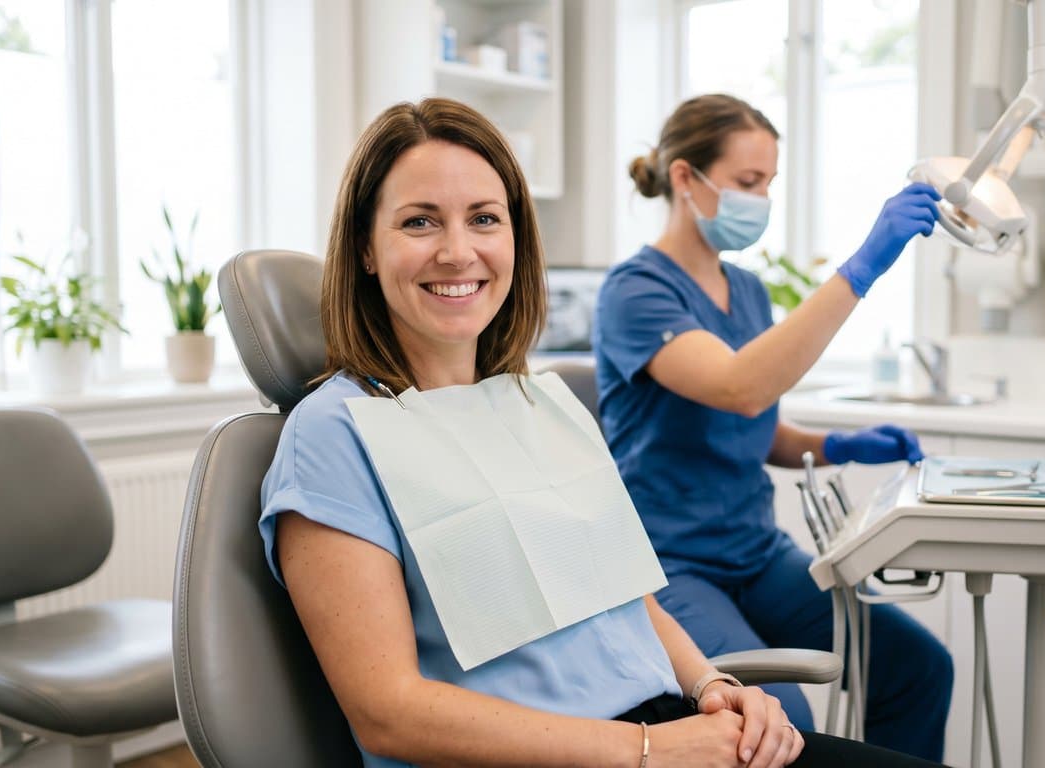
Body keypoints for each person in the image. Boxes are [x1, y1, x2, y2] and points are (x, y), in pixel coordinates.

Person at [259, 97, 944, 768]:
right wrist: (647, 751)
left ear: (517, 239)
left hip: (659, 719)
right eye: (419, 222)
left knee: (906, 676)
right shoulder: (334, 434)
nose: (458, 251)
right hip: (592, 749)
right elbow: (388, 713)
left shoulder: (537, 402)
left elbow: (627, 597)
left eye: (485, 219)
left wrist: (716, 689)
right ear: (366, 250)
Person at [593, 93, 953, 761]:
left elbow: (762, 425)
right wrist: (863, 266)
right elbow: (739, 387)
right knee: (778, 716)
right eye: (748, 183)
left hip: (756, 553)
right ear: (684, 178)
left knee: (916, 666)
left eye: (770, 184)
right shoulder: (634, 292)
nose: (761, 199)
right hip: (670, 564)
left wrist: (838, 445)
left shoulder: (749, 291)